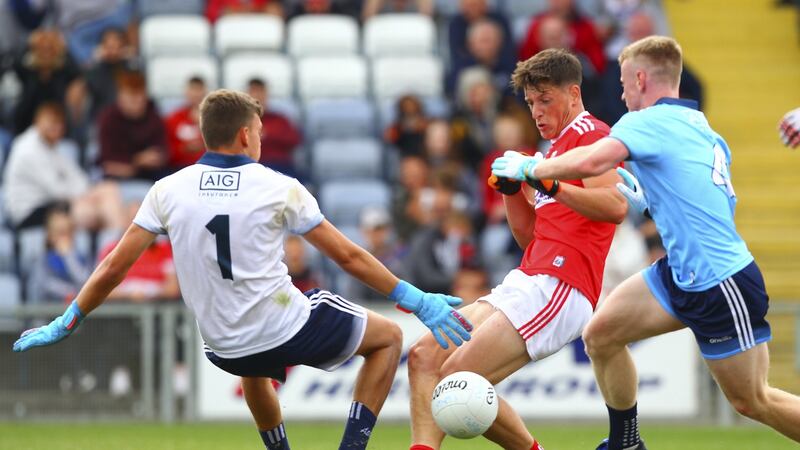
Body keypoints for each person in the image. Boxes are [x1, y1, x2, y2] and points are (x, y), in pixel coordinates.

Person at [12, 89, 473, 450]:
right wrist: (414, 299)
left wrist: (69, 318)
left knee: (254, 368)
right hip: (284, 327)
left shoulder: (167, 189)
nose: (261, 138)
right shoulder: (279, 187)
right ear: (244, 135)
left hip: (222, 347)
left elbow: (113, 265)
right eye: (258, 131)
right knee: (389, 338)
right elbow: (348, 257)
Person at [495, 35, 800, 448]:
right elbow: (712, 200)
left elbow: (591, 161)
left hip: (717, 279)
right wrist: (651, 204)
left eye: (623, 84)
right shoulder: (700, 126)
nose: (620, 94)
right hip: (682, 271)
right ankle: (627, 442)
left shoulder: (644, 122)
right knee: (600, 334)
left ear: (641, 78)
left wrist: (534, 167)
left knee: (753, 400)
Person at [407, 48, 627, 450]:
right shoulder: (552, 152)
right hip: (530, 276)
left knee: (457, 376)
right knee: (424, 355)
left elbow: (616, 206)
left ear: (573, 94)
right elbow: (531, 238)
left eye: (546, 100)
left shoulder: (593, 136)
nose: (537, 112)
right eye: (530, 103)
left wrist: (546, 183)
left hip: (563, 282)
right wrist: (513, 192)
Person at [3, 102, 125, 231]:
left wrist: (88, 193)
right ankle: (116, 243)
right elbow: (55, 189)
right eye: (51, 123)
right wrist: (87, 195)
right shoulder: (27, 148)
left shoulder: (51, 147)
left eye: (59, 123)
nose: (56, 127)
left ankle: (115, 243)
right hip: (29, 213)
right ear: (37, 121)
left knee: (109, 190)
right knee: (88, 211)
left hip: (52, 204)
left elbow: (76, 177)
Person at [165, 77, 208, 171]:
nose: (196, 94)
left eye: (199, 89)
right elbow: (167, 148)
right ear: (186, 92)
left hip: (207, 168)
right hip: (178, 168)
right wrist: (184, 148)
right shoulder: (174, 118)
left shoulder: (213, 119)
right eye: (193, 89)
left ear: (205, 92)